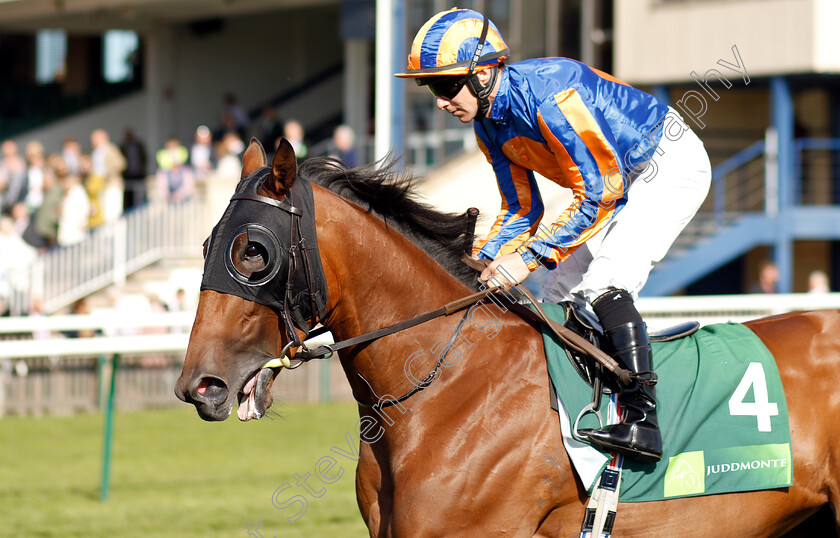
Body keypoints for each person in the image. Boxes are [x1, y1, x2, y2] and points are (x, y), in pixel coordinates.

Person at [397, 8, 712, 462]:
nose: (442, 102)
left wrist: (525, 259)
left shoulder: (552, 95)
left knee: (604, 284)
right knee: (559, 296)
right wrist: (476, 261)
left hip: (666, 164)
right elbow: (522, 209)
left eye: (447, 86)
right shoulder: (488, 123)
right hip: (618, 182)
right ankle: (577, 414)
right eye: (432, 89)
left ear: (484, 73)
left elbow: (603, 192)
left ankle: (643, 420)